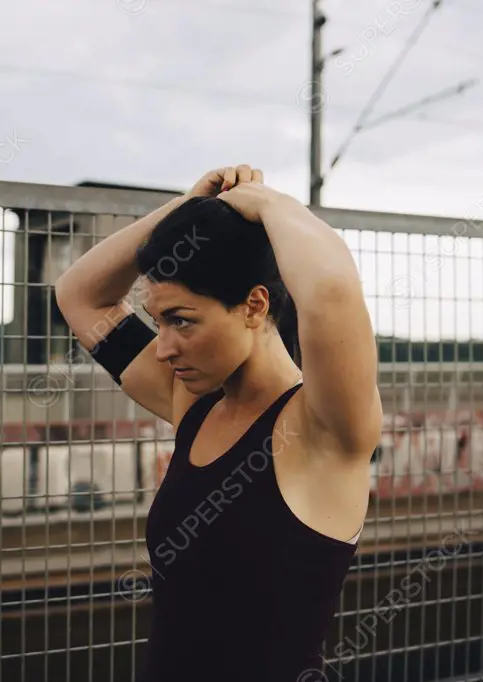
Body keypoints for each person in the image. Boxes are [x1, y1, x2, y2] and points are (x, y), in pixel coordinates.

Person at [54, 165, 383, 681]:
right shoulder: (193, 404)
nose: (162, 348)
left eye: (181, 321)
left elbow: (332, 291)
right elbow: (80, 295)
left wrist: (268, 203)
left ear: (254, 305)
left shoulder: (323, 429)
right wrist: (189, 208)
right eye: (159, 322)